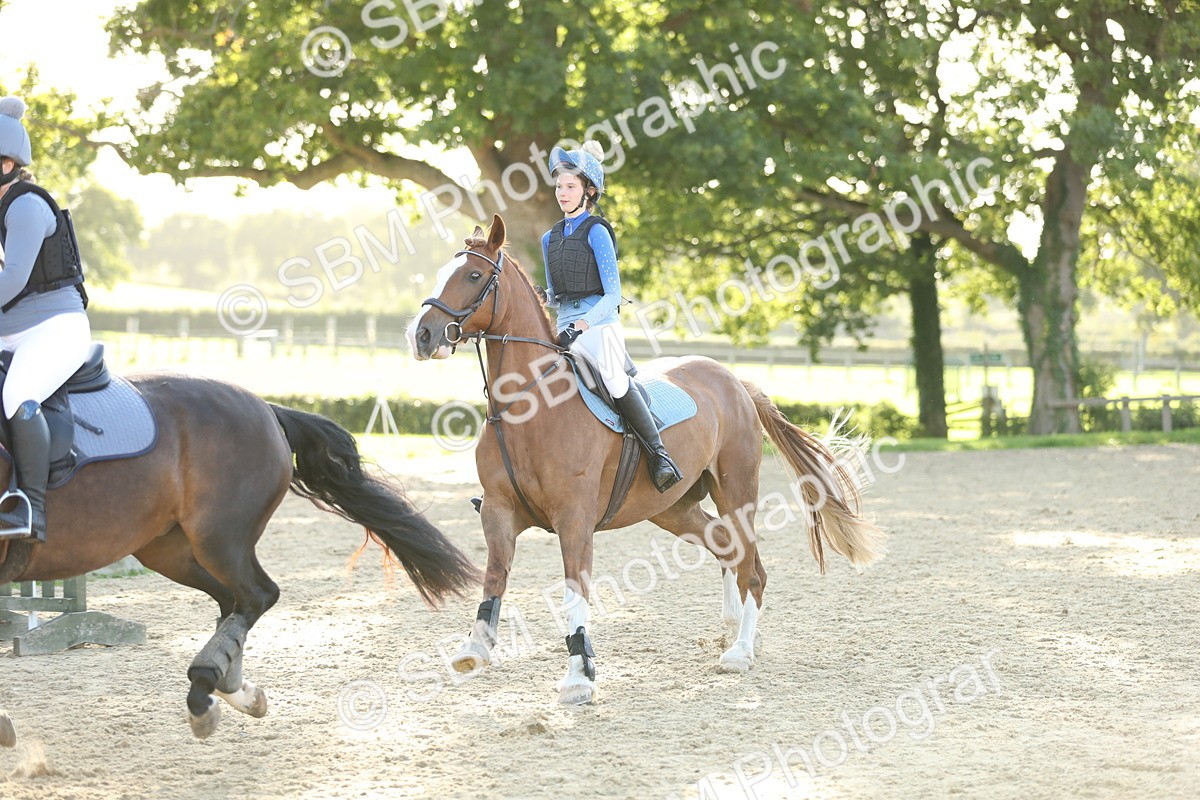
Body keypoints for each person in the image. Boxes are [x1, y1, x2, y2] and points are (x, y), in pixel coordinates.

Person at [542, 140, 681, 493]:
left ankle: (660, 455)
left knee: (615, 381)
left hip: (599, 325)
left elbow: (613, 294)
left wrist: (583, 325)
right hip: (563, 328)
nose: (562, 192)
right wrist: (539, 298)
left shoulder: (598, 231)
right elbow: (554, 293)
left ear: (589, 191)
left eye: (570, 186)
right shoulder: (549, 238)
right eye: (559, 186)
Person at [0, 96, 91, 542]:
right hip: (13, 331)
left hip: (55, 329)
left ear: (5, 165)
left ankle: (30, 509)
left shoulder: (26, 206)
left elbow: (14, 279)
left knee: (18, 394)